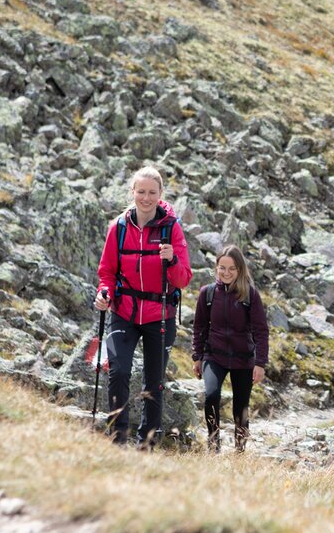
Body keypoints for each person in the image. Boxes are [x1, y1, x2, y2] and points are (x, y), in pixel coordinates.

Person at [94, 166, 191, 447]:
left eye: (152, 192)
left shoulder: (172, 228)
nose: (146, 198)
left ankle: (147, 443)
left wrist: (172, 260)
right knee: (118, 370)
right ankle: (117, 439)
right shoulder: (119, 227)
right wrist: (104, 293)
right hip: (123, 311)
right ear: (132, 193)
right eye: (141, 191)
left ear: (161, 194)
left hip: (159, 314)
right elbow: (107, 272)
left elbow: (183, 279)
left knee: (154, 382)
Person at [192, 245, 269, 453]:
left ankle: (239, 451)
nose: (226, 273)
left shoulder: (250, 295)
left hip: (243, 359)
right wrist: (197, 357)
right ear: (216, 268)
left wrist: (260, 363)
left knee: (240, 408)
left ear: (240, 270)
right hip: (213, 356)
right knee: (211, 396)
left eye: (232, 269)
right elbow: (199, 327)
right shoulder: (207, 294)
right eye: (222, 268)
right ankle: (214, 444)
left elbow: (261, 331)